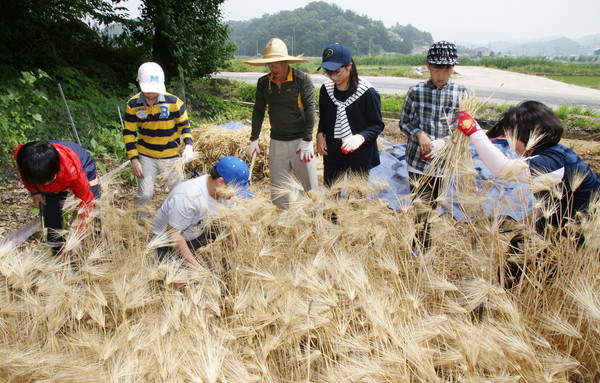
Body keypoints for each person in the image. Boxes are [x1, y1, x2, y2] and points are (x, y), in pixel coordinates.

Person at [457, 101, 600, 286]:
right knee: (518, 253)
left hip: (582, 229)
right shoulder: (550, 153)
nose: (509, 142)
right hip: (559, 224)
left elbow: (505, 170)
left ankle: (518, 302)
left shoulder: (553, 160)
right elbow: (551, 198)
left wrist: (475, 133)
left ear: (527, 134)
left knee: (548, 271)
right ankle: (506, 301)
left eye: (512, 135)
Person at [399, 40, 468, 250]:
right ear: (428, 66)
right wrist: (419, 134)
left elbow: (462, 127)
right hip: (417, 161)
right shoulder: (416, 91)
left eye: (446, 69)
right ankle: (417, 247)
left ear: (453, 69)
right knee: (419, 206)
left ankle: (424, 247)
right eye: (437, 69)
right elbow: (404, 122)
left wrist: (444, 142)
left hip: (442, 163)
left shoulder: (460, 93)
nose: (441, 75)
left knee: (432, 207)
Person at [243, 38, 318, 209]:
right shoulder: (263, 83)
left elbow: (310, 110)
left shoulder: (301, 79)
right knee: (279, 189)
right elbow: (258, 110)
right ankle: (283, 222)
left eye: (276, 63)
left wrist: (307, 140)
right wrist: (254, 138)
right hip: (277, 141)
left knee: (309, 186)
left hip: (300, 142)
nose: (273, 68)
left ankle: (313, 220)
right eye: (269, 64)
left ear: (286, 62)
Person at [151, 156, 251, 269]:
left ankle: (225, 265)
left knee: (232, 225)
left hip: (197, 230)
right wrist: (197, 269)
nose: (235, 195)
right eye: (235, 190)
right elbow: (173, 234)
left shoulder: (227, 193)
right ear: (220, 182)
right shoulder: (188, 196)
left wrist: (229, 257)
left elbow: (234, 221)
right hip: (167, 242)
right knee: (179, 281)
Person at [123, 62, 195, 219]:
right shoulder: (133, 104)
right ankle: (138, 225)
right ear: (139, 83)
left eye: (154, 92)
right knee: (145, 194)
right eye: (147, 91)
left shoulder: (174, 103)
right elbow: (129, 133)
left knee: (178, 191)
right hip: (146, 155)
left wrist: (189, 146)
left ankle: (178, 221)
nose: (150, 95)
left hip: (171, 156)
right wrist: (134, 159)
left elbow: (185, 127)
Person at [316, 43, 384, 188]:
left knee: (356, 200)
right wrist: (320, 134)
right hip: (333, 152)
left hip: (359, 152)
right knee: (331, 196)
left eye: (337, 72)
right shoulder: (326, 89)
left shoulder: (367, 92)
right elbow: (324, 116)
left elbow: (377, 124)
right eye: (328, 72)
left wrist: (361, 137)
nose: (333, 77)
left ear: (349, 66)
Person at [14, 140, 100, 252]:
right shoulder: (24, 158)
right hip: (51, 170)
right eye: (40, 184)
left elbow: (87, 201)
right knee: (50, 213)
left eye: (48, 182)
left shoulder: (73, 173)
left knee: (94, 215)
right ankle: (57, 251)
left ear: (54, 174)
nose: (46, 186)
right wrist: (35, 192)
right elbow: (25, 175)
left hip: (82, 165)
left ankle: (97, 244)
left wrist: (77, 234)